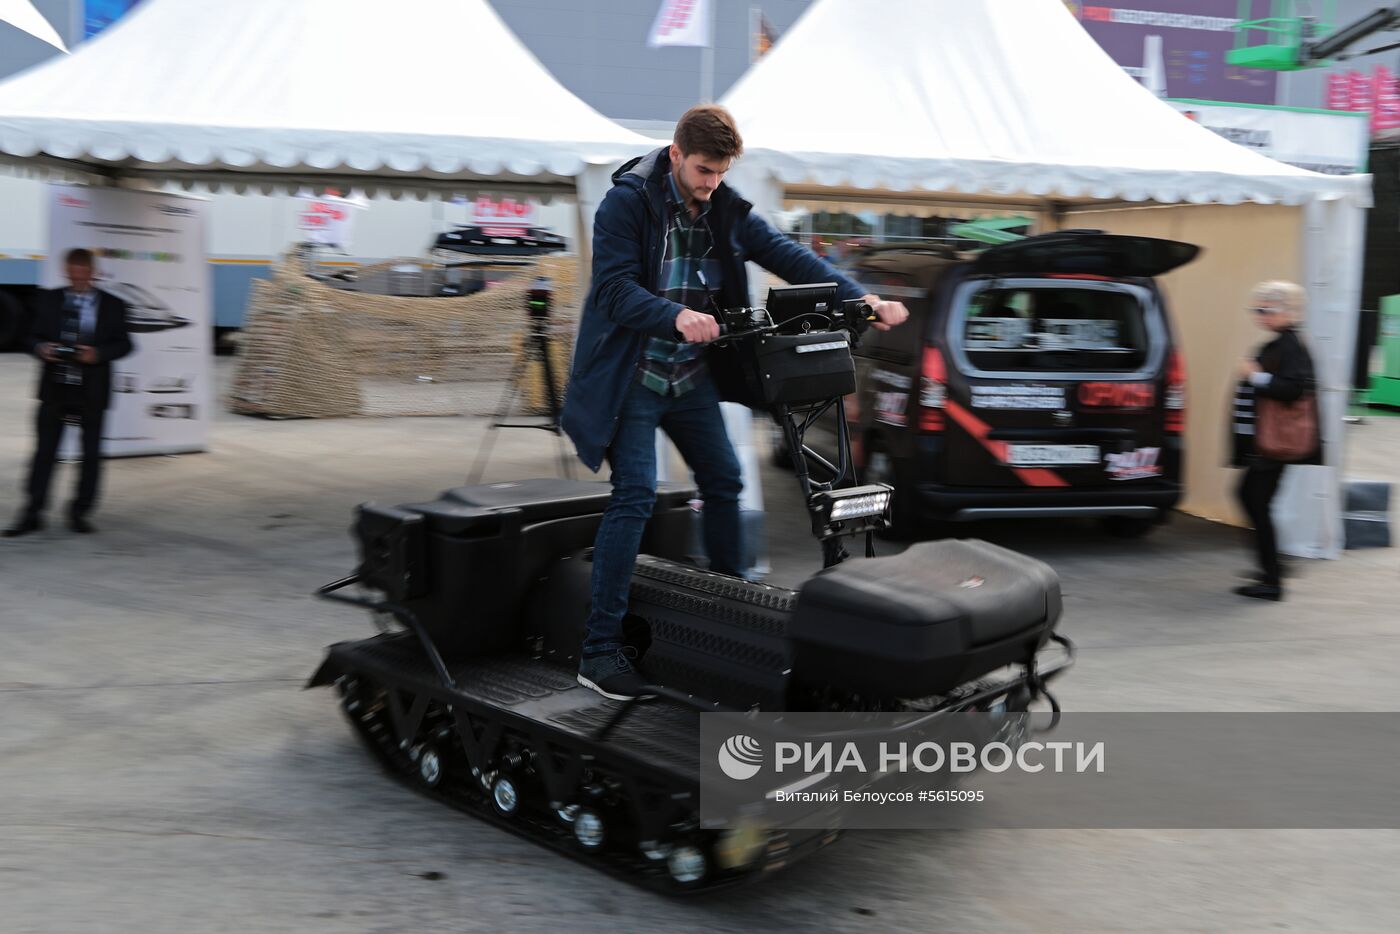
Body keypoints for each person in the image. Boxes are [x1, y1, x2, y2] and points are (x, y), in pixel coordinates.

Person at [561, 104, 908, 700]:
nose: (710, 183)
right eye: (702, 170)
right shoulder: (626, 202)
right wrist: (675, 315)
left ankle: (722, 610)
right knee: (636, 494)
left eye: (720, 173)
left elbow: (785, 255)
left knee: (724, 481)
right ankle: (598, 651)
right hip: (633, 376)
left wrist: (863, 297)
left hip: (689, 378)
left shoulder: (723, 206)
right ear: (675, 154)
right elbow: (614, 290)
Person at [4, 249, 133, 537]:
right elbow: (29, 336)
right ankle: (32, 513)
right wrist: (41, 349)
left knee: (89, 455)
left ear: (93, 273)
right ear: (66, 272)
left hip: (92, 391)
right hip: (55, 389)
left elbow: (124, 344)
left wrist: (98, 354)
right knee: (44, 453)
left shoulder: (113, 305)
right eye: (72, 276)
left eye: (82, 276)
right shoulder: (50, 299)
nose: (77, 282)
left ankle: (79, 513)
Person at [1229, 280, 1321, 602]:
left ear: (1285, 311)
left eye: (1265, 309)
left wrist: (1255, 376)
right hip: (1268, 443)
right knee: (1253, 499)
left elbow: (1294, 388)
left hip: (1271, 444)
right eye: (1258, 309)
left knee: (1252, 499)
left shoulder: (1290, 345)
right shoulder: (1285, 342)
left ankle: (1272, 577)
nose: (1259, 315)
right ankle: (1272, 569)